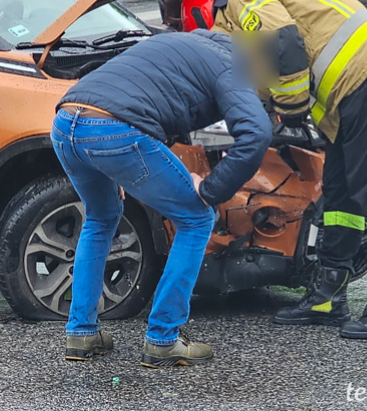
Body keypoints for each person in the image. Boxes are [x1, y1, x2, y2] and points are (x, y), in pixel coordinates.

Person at [184, 0, 367, 339]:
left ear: (206, 14)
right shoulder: (253, 2)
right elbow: (266, 67)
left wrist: (290, 108)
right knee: (340, 193)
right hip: (351, 82)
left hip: (362, 70)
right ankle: (328, 295)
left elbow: (286, 41)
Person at [52, 30, 271, 368]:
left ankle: (81, 332)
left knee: (101, 217)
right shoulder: (235, 66)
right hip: (115, 130)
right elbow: (256, 134)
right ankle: (163, 339)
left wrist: (116, 163)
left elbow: (150, 100)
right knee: (197, 219)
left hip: (67, 121)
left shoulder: (182, 43)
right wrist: (210, 189)